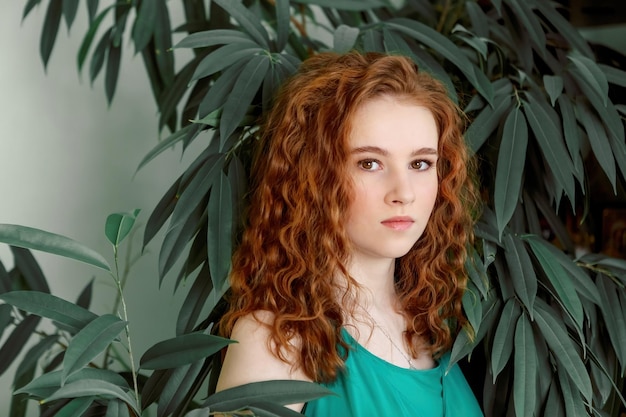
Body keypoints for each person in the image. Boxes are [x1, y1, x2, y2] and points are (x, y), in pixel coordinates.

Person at [215, 51, 483, 416]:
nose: (403, 192)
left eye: (421, 163)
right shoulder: (275, 337)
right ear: (314, 176)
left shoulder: (435, 323)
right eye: (369, 163)